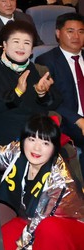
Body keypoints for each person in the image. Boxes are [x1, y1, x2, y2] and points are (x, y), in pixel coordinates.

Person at [0, 115, 84, 250]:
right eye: (32, 139)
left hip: (70, 229)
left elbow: (39, 223)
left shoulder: (59, 178)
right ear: (23, 140)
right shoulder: (19, 152)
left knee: (49, 228)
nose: (36, 148)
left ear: (54, 147)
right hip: (30, 222)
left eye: (45, 143)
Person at [0, 22, 60, 144]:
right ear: (5, 45)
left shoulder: (37, 70)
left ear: (32, 50)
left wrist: (42, 94)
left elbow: (55, 103)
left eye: (27, 43)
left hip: (37, 133)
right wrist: (17, 92)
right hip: (7, 134)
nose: (21, 47)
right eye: (16, 41)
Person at [35, 13, 84, 169]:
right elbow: (51, 100)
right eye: (70, 31)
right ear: (58, 33)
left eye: (81, 32)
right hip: (68, 122)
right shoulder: (46, 61)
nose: (76, 36)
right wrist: (79, 120)